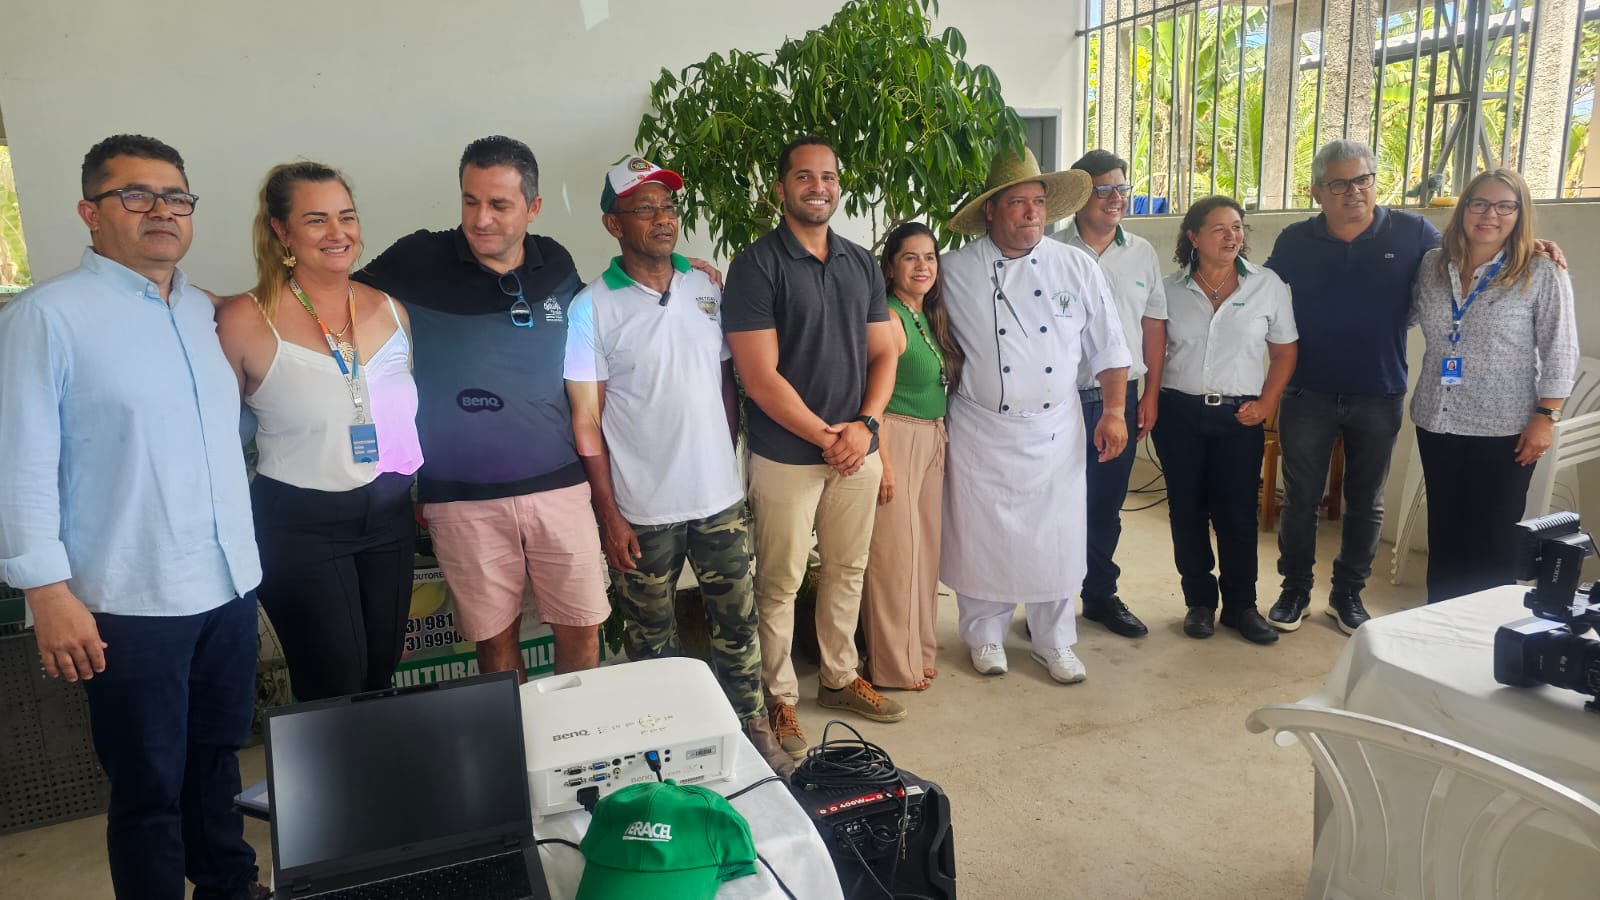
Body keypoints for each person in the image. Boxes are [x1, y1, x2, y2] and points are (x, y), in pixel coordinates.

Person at [0, 135, 267, 899]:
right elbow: (18, 463)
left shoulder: (205, 313)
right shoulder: (47, 318)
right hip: (128, 598)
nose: (162, 211)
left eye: (176, 197)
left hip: (226, 583)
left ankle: (229, 886)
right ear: (91, 212)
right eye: (136, 195)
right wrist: (46, 590)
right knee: (148, 785)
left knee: (217, 761)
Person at [563, 155, 795, 776]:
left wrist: (723, 458)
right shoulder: (590, 308)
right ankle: (667, 755)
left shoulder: (707, 288)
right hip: (642, 512)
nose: (663, 218)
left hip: (718, 500)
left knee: (738, 629)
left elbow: (726, 384)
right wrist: (608, 515)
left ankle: (755, 737)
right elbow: (586, 419)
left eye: (668, 206)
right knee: (652, 643)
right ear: (614, 224)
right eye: (645, 208)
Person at [353, 136, 606, 678]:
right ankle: (514, 734)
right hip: (460, 498)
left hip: (560, 486)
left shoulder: (556, 263)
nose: (480, 219)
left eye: (498, 204)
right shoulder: (419, 259)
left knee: (583, 630)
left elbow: (603, 316)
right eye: (470, 201)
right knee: (494, 643)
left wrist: (677, 270)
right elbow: (333, 296)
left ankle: (574, 731)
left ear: (533, 208)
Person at [722, 135, 907, 756]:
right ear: (781, 188)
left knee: (848, 570)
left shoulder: (860, 263)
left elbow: (885, 353)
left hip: (856, 448)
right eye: (804, 176)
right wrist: (833, 437)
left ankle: (838, 678)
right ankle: (779, 699)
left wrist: (865, 427)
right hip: (787, 457)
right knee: (780, 581)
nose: (818, 187)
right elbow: (759, 378)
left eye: (828, 176)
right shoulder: (756, 266)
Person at [216, 162, 421, 700]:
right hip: (302, 524)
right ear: (281, 230)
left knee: (379, 677)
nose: (338, 233)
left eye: (346, 217)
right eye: (316, 220)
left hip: (389, 519)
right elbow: (215, 439)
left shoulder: (391, 310)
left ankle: (372, 759)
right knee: (334, 686)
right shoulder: (245, 319)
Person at [940, 147, 1131, 683]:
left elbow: (1109, 345)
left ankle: (1055, 640)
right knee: (982, 538)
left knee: (1057, 539)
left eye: (1039, 202)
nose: (1031, 213)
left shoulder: (1076, 266)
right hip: (980, 428)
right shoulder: (952, 271)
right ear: (991, 210)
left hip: (1055, 430)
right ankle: (984, 635)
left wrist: (1115, 410)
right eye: (1018, 202)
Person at [1263, 140, 1440, 635]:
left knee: (1367, 501)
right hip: (1307, 390)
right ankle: (1295, 589)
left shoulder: (1413, 232)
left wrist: (1530, 248)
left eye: (1362, 179)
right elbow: (1261, 293)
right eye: (1339, 183)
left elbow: (1464, 265)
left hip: (1378, 390)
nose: (1354, 191)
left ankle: (1347, 594)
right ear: (1317, 192)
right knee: (1301, 498)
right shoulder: (1296, 240)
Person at [1409, 168, 1578, 604]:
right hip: (1437, 420)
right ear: (1464, 208)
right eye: (1480, 203)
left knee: (1493, 541)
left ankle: (1483, 633)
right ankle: (1439, 619)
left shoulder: (1541, 270)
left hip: (1505, 428)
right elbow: (1403, 315)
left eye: (1506, 206)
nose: (1491, 215)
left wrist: (1546, 417)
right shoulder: (1432, 264)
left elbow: (1561, 348)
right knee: (1445, 533)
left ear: (1520, 214)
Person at [1149, 195, 1297, 645]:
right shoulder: (1169, 289)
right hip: (1179, 412)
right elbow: (1154, 352)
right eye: (1220, 228)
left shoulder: (1267, 285)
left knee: (1237, 513)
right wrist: (1148, 402)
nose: (1232, 236)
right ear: (1193, 237)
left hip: (1239, 417)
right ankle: (1199, 602)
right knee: (1187, 511)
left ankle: (1240, 606)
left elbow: (1285, 352)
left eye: (1237, 227)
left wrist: (1267, 403)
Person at [1061, 149, 1168, 639]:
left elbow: (1153, 327)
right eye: (1103, 190)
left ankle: (1100, 595)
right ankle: (1051, 600)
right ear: (1080, 196)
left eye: (1121, 189)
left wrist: (1150, 395)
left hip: (1121, 397)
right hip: (1063, 397)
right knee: (1057, 502)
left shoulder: (1142, 253)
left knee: (1106, 503)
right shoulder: (1053, 251)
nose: (1115, 199)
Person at [860, 222, 963, 692]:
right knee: (893, 558)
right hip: (895, 439)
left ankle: (919, 651)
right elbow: (869, 395)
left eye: (930, 257)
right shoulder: (889, 316)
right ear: (890, 267)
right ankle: (890, 665)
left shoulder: (928, 316)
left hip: (932, 438)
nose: (923, 266)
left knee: (924, 554)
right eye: (910, 257)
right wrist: (881, 458)